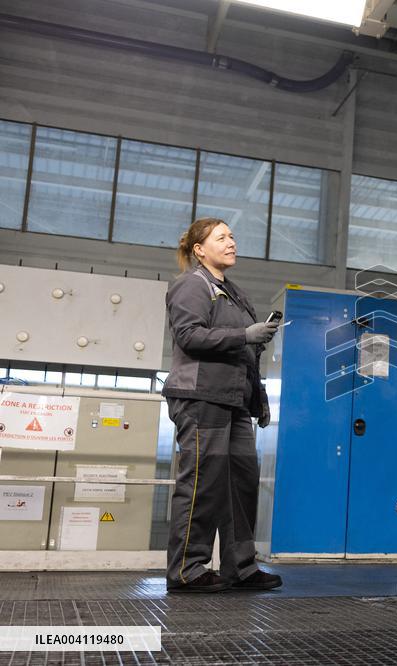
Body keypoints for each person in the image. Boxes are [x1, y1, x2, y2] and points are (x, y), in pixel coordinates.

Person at [162, 217, 281, 593]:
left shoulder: (235, 292)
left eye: (232, 236)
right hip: (201, 398)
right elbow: (189, 334)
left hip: (234, 401)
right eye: (221, 237)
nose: (231, 242)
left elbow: (246, 353)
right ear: (199, 249)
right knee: (202, 484)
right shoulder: (192, 285)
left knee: (240, 485)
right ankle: (187, 569)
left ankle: (241, 567)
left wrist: (258, 400)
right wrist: (243, 334)